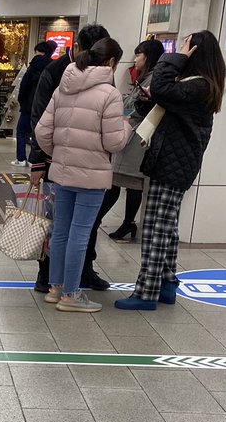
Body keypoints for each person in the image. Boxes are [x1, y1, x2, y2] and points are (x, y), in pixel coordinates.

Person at [116, 31, 226, 311]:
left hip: (172, 165)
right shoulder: (197, 85)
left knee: (155, 228)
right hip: (175, 163)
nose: (180, 49)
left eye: (185, 46)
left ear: (195, 52)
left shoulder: (199, 85)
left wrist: (171, 60)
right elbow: (162, 100)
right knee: (166, 226)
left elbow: (164, 90)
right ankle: (166, 284)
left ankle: (146, 292)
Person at [35, 38, 128, 314]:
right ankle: (72, 295)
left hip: (62, 171)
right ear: (111, 63)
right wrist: (127, 127)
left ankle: (55, 288)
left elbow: (42, 132)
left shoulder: (63, 87)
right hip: (92, 175)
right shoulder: (110, 94)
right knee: (80, 233)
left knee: (61, 230)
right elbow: (114, 143)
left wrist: (60, 152)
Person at [93, 39, 165, 243]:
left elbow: (135, 106)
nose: (136, 59)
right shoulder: (143, 79)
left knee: (129, 181)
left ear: (148, 56)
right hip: (129, 132)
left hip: (138, 135)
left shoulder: (153, 80)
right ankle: (123, 223)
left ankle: (122, 222)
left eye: (139, 54)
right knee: (120, 180)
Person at [15, 41, 57, 167]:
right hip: (45, 106)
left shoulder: (33, 66)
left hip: (29, 105)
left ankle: (21, 159)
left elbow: (24, 86)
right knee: (39, 132)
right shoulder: (53, 67)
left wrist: (21, 101)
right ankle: (37, 159)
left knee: (21, 131)